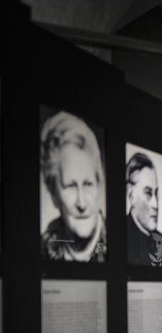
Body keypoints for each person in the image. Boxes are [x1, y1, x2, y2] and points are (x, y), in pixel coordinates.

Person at [39, 110, 107, 262]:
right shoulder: (42, 248)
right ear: (53, 194)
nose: (81, 204)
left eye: (88, 184)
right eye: (70, 186)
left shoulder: (118, 241)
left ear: (99, 185)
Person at [126, 151, 162, 266]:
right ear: (131, 194)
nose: (155, 204)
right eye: (148, 193)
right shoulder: (119, 242)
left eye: (156, 193)